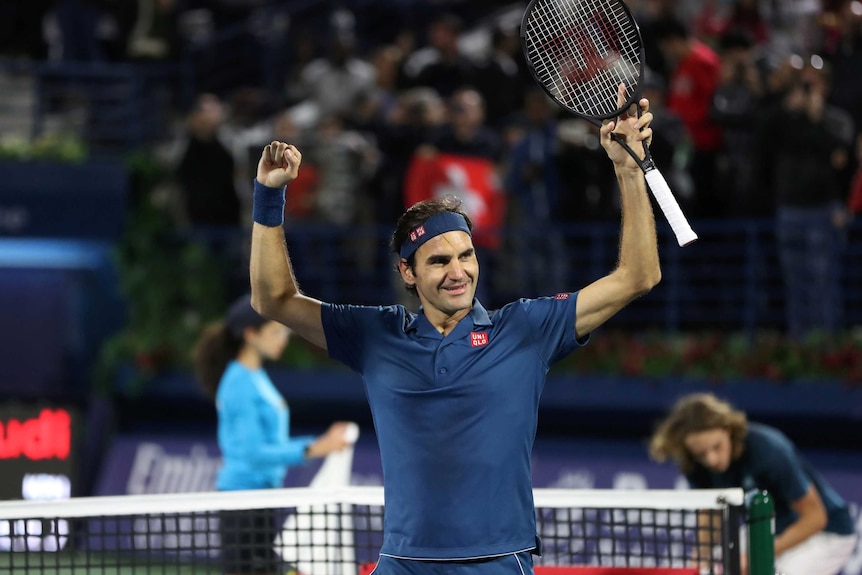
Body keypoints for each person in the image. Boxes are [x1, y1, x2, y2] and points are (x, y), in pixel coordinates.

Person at [248, 86, 661, 575]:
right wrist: (269, 196)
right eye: (439, 260)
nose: (458, 271)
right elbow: (272, 299)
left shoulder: (526, 328)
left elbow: (638, 276)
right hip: (402, 562)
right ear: (409, 273)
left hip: (498, 561)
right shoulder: (376, 335)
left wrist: (629, 172)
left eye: (466, 255)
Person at [192, 294, 352, 575]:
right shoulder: (239, 382)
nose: (283, 338)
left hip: (261, 500)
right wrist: (315, 448)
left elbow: (268, 445)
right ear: (251, 334)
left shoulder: (255, 376)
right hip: (241, 503)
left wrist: (320, 444)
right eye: (276, 331)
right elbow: (253, 453)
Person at [649, 393, 857, 575]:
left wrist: (757, 556)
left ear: (727, 430)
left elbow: (815, 518)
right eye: (701, 454)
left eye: (716, 447)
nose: (711, 459)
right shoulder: (693, 464)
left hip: (828, 533)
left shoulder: (769, 451)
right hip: (768, 528)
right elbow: (710, 517)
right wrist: (699, 562)